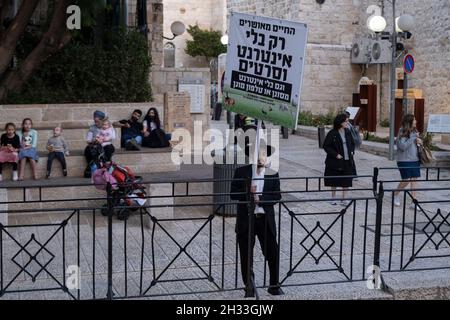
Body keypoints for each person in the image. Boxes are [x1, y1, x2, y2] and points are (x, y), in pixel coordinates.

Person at [230, 142, 283, 297]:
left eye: (264, 155)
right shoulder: (241, 172)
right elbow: (233, 194)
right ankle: (249, 287)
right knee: (246, 254)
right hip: (247, 220)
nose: (261, 158)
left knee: (272, 252)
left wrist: (261, 199)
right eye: (258, 155)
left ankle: (274, 285)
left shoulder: (272, 173)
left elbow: (277, 195)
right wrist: (248, 191)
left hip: (265, 219)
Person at [323, 113, 357, 206]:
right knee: (334, 179)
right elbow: (326, 146)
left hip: (347, 160)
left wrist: (352, 151)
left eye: (348, 121)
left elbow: (352, 143)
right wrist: (336, 154)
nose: (347, 122)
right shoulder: (332, 133)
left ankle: (344, 198)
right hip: (335, 161)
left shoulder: (347, 131)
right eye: (346, 121)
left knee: (346, 180)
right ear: (340, 122)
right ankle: (333, 198)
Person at [393, 114, 422, 208]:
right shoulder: (402, 131)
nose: (416, 121)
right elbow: (402, 146)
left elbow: (415, 144)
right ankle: (395, 194)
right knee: (406, 180)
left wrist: (420, 142)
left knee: (414, 180)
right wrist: (413, 137)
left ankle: (414, 202)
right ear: (409, 122)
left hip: (415, 159)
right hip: (404, 160)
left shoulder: (415, 131)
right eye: (414, 120)